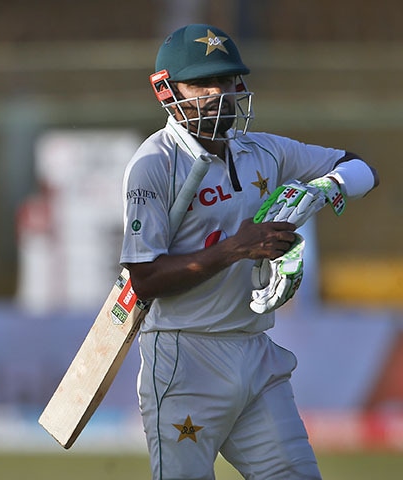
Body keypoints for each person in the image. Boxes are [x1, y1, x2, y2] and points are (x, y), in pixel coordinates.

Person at [120, 24, 378, 479]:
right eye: (202, 82)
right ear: (166, 90)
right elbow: (145, 279)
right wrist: (237, 249)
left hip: (255, 352)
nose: (218, 93)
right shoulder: (152, 165)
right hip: (184, 358)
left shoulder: (263, 150)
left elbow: (359, 166)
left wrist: (324, 189)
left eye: (226, 80)